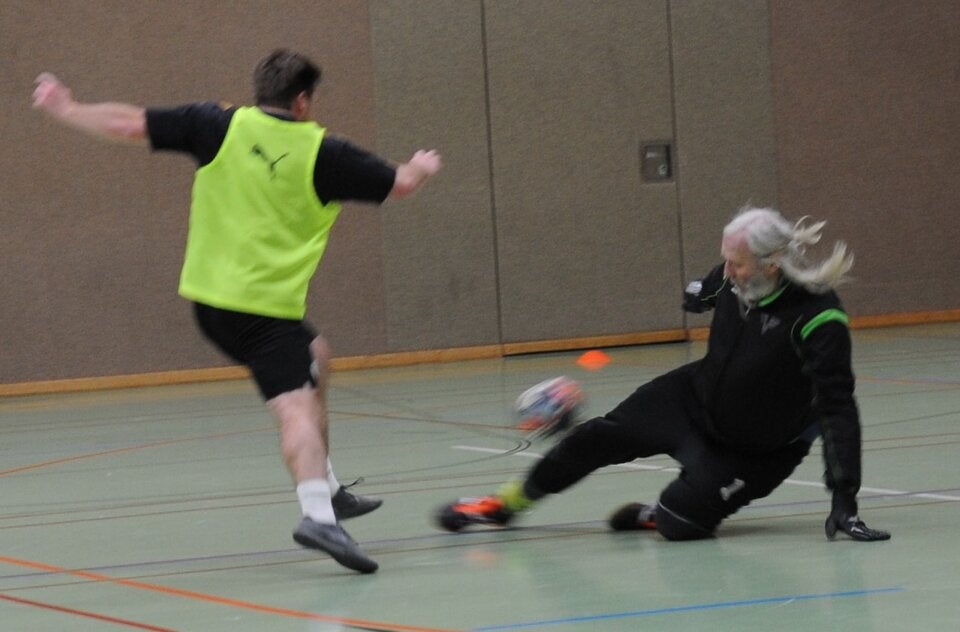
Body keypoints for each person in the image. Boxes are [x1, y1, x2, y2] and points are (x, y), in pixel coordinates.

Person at [33, 49, 442, 574]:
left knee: (318, 353)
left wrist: (66, 108)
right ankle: (317, 514)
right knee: (294, 408)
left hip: (211, 303)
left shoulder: (216, 125)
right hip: (262, 313)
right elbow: (402, 183)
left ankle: (331, 487)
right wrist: (422, 166)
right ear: (301, 100)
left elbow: (127, 122)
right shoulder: (325, 153)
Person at [437, 206, 890, 543]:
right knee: (594, 437)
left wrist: (844, 498)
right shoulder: (734, 276)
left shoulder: (818, 316)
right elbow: (707, 288)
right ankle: (504, 505)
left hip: (756, 449)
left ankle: (658, 512)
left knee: (681, 524)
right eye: (725, 260)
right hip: (691, 399)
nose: (727, 273)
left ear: (772, 264)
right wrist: (697, 294)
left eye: (737, 264)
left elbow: (838, 409)